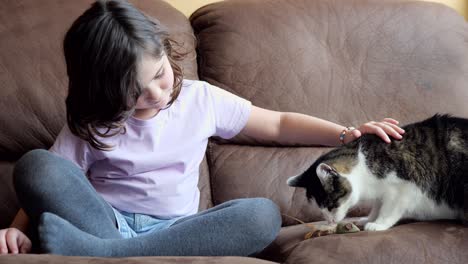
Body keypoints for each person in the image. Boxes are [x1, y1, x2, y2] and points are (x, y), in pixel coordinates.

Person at [0, 0, 405, 257]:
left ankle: (106, 255)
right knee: (34, 165)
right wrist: (16, 230)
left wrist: (345, 134)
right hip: (105, 220)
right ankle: (111, 246)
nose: (157, 94)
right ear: (102, 92)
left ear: (165, 51)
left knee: (262, 215)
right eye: (135, 93)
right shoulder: (93, 123)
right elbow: (50, 180)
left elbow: (279, 124)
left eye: (159, 75)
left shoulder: (200, 99)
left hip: (180, 228)